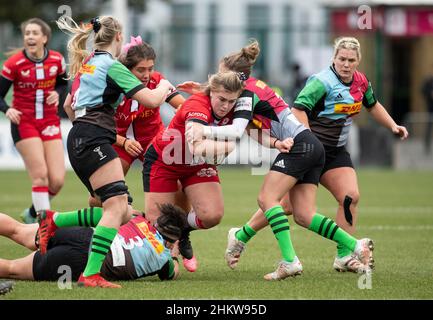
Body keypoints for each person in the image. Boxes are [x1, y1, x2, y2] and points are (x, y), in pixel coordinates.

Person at [181, 40, 375, 280]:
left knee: (267, 198)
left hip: (301, 146)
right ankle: (355, 246)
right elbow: (253, 130)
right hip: (312, 146)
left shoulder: (245, 95)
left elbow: (235, 131)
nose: (218, 80)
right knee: (303, 214)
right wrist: (204, 90)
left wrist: (204, 131)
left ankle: (289, 260)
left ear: (234, 76)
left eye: (221, 74)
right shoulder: (251, 88)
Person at [222, 37, 407, 274]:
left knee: (349, 197)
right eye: (342, 59)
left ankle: (344, 255)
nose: (346, 64)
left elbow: (372, 105)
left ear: (358, 61)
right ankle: (243, 236)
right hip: (310, 147)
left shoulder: (361, 83)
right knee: (287, 207)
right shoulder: (321, 82)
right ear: (334, 58)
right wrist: (306, 141)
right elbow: (298, 109)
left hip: (333, 152)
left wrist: (393, 125)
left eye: (351, 60)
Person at [37, 15, 175, 288]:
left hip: (80, 136)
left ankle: (54, 220)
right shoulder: (111, 66)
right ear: (119, 38)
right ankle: (90, 274)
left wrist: (88, 130)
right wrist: (163, 87)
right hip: (93, 139)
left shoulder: (86, 63)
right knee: (116, 208)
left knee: (121, 210)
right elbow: (150, 98)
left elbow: (67, 106)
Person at [142, 71, 244, 272]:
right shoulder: (197, 105)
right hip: (164, 162)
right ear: (211, 93)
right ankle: (127, 221)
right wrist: (229, 147)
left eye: (231, 101)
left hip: (197, 165)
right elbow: (196, 147)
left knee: (212, 215)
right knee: (158, 232)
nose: (226, 106)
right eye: (221, 99)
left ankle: (182, 230)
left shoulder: (239, 105)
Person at [88, 36, 185, 208]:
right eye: (141, 70)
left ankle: (181, 232)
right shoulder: (112, 86)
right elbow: (97, 127)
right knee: (100, 196)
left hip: (153, 141)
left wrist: (185, 113)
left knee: (178, 187)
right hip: (118, 142)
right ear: (126, 69)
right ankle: (99, 231)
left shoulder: (157, 81)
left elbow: (183, 106)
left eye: (150, 68)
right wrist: (123, 142)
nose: (147, 75)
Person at [0, 204, 185, 284]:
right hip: (82, 263)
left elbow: (115, 210)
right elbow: (172, 273)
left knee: (18, 230)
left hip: (83, 234)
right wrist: (175, 255)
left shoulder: (138, 219)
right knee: (11, 268)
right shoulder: (164, 258)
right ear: (172, 240)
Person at [0, 18, 68, 224]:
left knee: (56, 181)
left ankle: (31, 213)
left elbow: (63, 85)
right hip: (24, 123)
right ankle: (44, 228)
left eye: (34, 33)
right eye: (27, 33)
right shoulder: (14, 64)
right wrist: (8, 109)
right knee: (40, 177)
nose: (30, 36)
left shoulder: (57, 60)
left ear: (45, 38)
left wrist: (57, 93)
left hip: (49, 122)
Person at [421, 66, 433, 154]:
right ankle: (426, 147)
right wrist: (430, 94)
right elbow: (423, 90)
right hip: (430, 109)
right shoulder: (429, 81)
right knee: (429, 128)